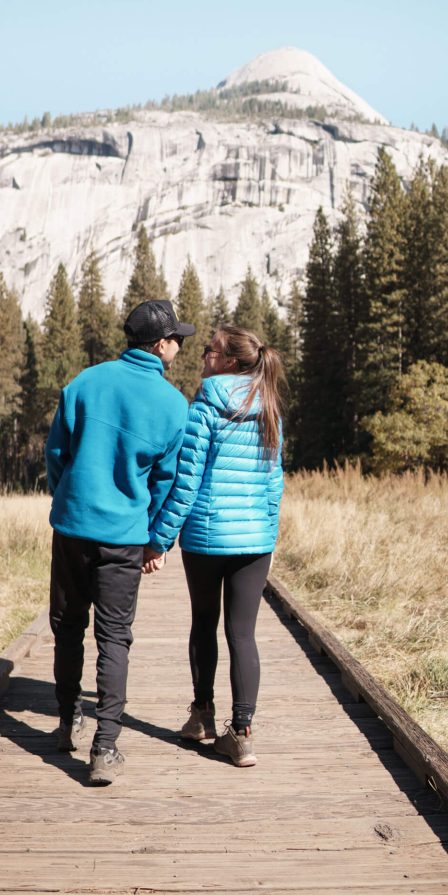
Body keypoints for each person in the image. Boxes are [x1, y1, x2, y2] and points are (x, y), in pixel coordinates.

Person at [45, 298, 194, 784]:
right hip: (125, 538)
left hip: (71, 527)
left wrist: (69, 497)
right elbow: (165, 481)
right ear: (161, 345)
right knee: (114, 637)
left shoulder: (85, 383)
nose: (180, 347)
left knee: (68, 626)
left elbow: (56, 454)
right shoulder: (174, 405)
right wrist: (154, 539)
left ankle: (67, 721)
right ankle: (104, 747)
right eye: (178, 340)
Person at [146, 324, 285, 767]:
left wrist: (159, 539)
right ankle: (242, 734)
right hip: (254, 542)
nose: (203, 355)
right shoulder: (270, 407)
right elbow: (274, 483)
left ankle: (202, 717)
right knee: (242, 634)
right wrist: (266, 530)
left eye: (209, 350)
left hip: (207, 537)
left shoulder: (206, 403)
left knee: (204, 623)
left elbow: (186, 483)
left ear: (227, 361)